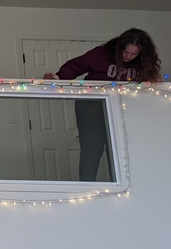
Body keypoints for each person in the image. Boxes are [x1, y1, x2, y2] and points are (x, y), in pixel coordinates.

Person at [43, 28, 161, 181]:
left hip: (122, 106)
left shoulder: (143, 63)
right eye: (125, 52)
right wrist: (58, 77)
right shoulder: (102, 53)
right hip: (92, 103)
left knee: (121, 146)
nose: (128, 56)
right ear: (120, 47)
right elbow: (76, 65)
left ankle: (123, 185)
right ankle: (86, 186)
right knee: (92, 146)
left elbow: (149, 82)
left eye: (133, 54)